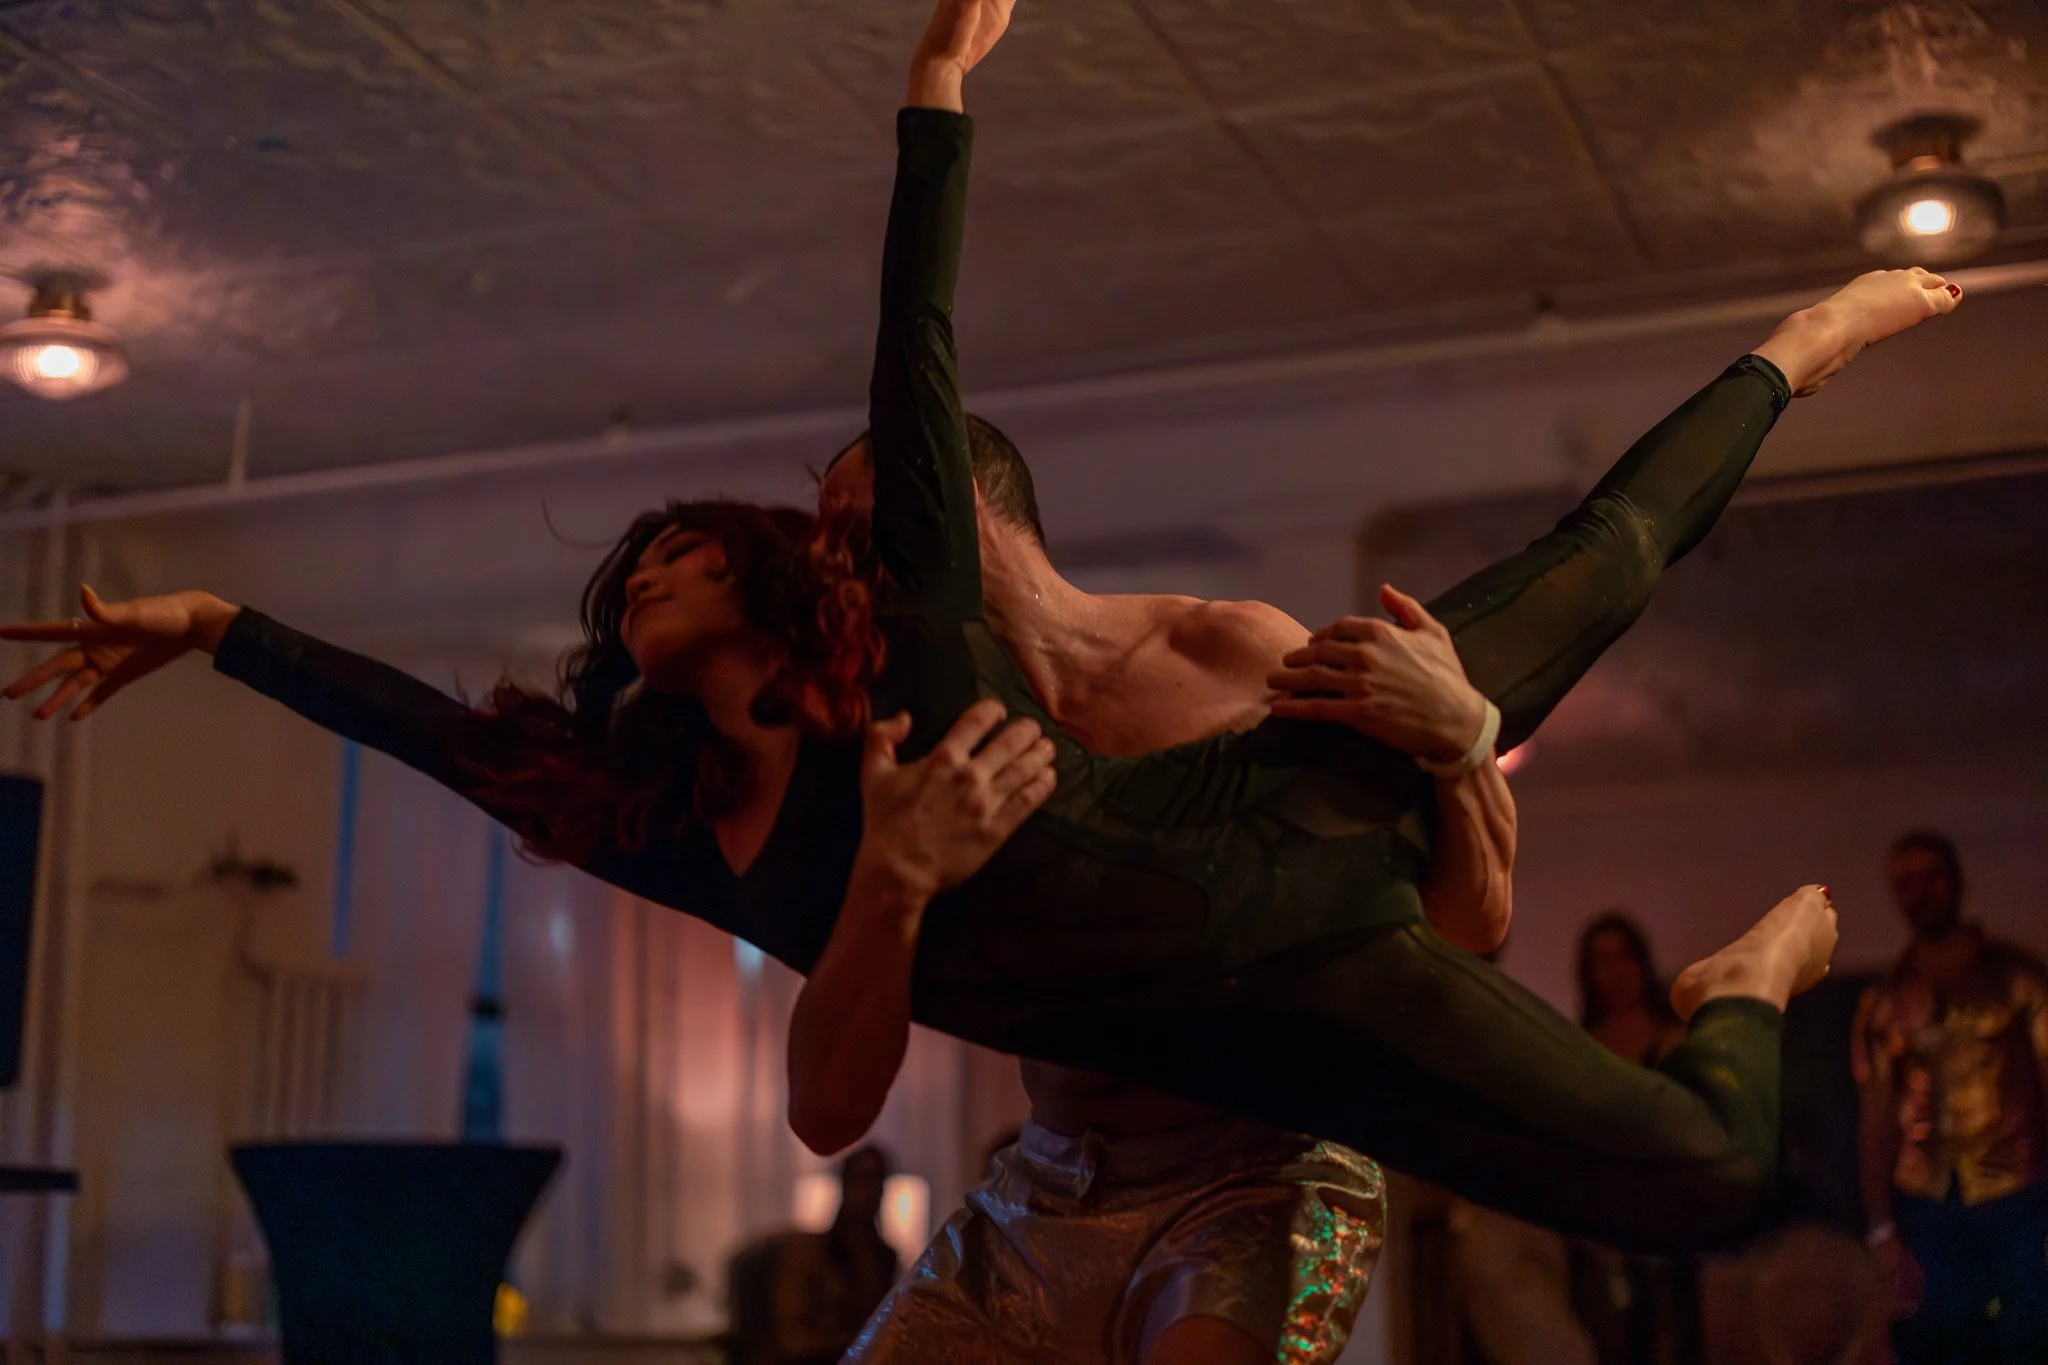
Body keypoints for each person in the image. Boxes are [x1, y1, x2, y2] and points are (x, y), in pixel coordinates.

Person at [7, 0, 1945, 1256]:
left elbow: (909, 377)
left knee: (1582, 572)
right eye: (640, 576)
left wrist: (934, 96)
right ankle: (1751, 979)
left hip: (1283, 845)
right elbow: (437, 734)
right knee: (1699, 1186)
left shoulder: (945, 671)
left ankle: (1800, 340)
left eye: (688, 548)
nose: (647, 573)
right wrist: (207, 618)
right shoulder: (698, 816)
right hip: (1235, 1038)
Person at [1853, 830, 2048, 1364]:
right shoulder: (1886, 999)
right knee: (1937, 1341)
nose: (1919, 892)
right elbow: (1877, 1115)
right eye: (1904, 881)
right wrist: (1881, 1226)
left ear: (1957, 881)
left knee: (2025, 1337)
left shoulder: (2017, 978)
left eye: (1930, 875)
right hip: (1927, 1201)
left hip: (2015, 1192)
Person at [1570, 915, 1700, 1365]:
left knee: (1673, 1337)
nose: (1614, 972)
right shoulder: (1578, 1047)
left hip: (1666, 1223)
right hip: (1601, 1229)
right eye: (1600, 961)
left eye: (1622, 956)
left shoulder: (1672, 1041)